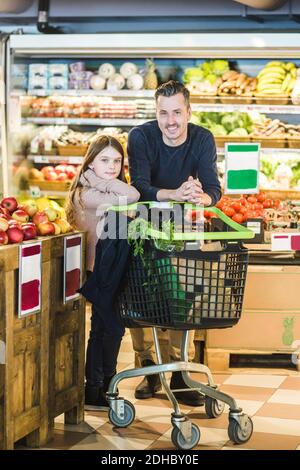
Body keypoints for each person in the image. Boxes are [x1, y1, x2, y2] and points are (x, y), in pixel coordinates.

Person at [127, 80, 221, 407]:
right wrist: (174, 194)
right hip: (145, 226)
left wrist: (202, 196)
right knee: (140, 296)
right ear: (156, 113)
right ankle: (148, 367)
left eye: (177, 113)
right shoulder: (141, 137)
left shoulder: (202, 139)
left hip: (183, 229)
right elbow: (139, 186)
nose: (170, 121)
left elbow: (214, 190)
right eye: (163, 113)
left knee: (183, 295)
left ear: (188, 112)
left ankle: (181, 373)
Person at [66, 134, 140, 409]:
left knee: (111, 328)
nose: (112, 166)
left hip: (110, 270)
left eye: (117, 161)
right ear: (90, 162)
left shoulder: (103, 188)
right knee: (103, 329)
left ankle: (106, 384)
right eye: (104, 160)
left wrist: (99, 178)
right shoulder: (87, 194)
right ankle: (96, 387)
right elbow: (132, 195)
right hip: (97, 272)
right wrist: (98, 181)